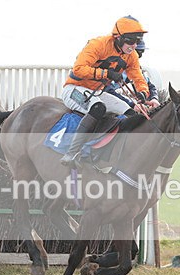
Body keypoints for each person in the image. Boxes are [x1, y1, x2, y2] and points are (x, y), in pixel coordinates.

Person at [59, 15, 155, 167]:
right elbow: (78, 69)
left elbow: (138, 77)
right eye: (131, 41)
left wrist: (142, 92)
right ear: (118, 37)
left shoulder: (132, 56)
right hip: (74, 88)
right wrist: (106, 74)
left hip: (98, 92)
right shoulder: (98, 45)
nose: (134, 46)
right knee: (98, 108)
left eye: (137, 41)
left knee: (131, 114)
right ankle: (71, 153)